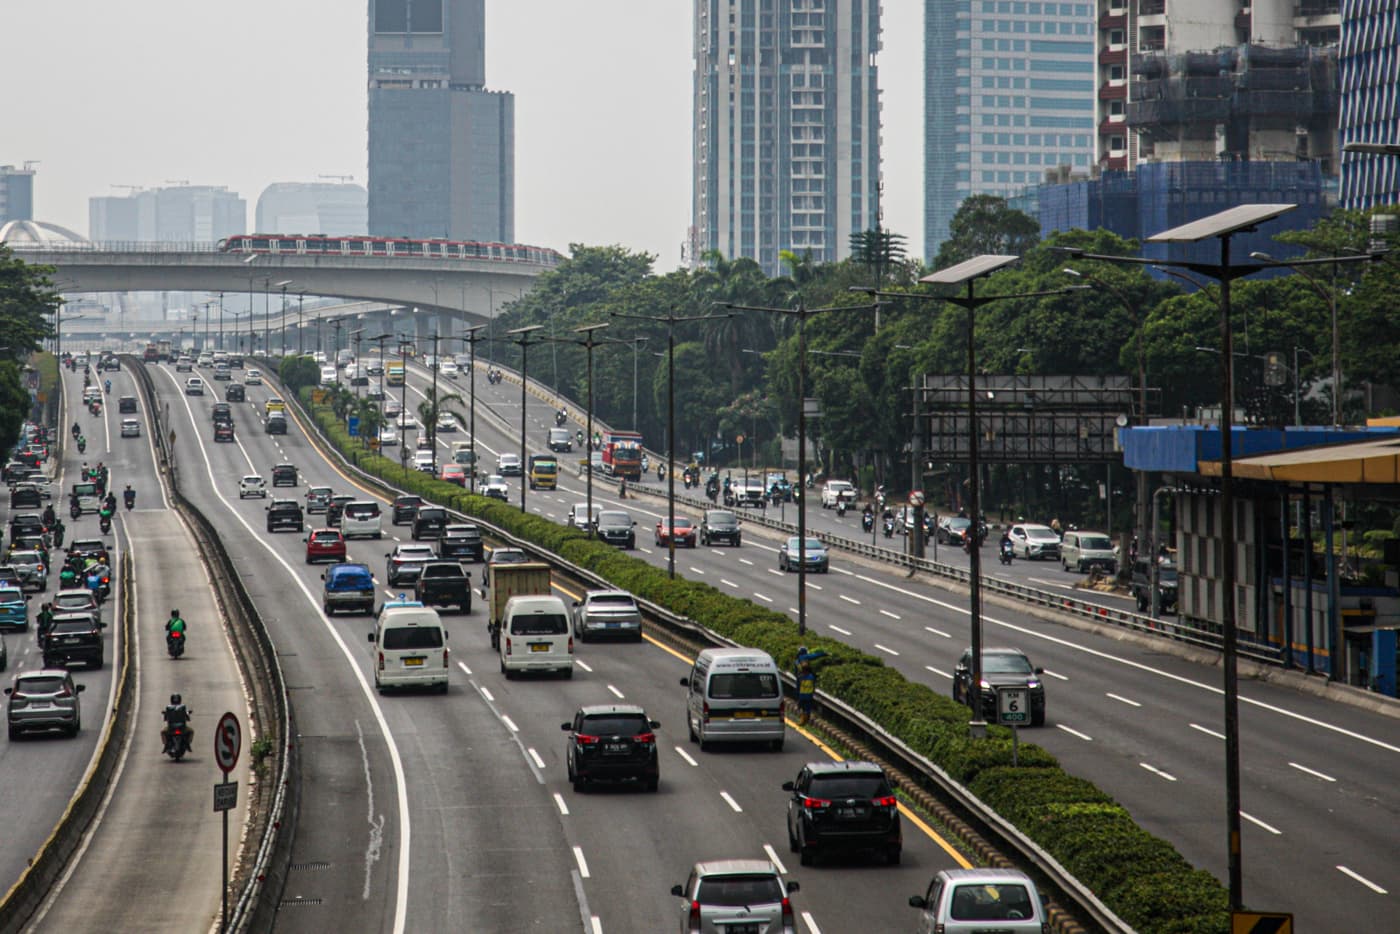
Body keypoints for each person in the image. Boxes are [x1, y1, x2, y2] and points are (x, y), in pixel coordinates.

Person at [793, 646, 828, 726]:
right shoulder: (811, 676)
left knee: (801, 705)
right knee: (807, 707)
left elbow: (796, 675)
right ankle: (805, 718)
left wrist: (797, 693)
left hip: (801, 691)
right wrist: (823, 653)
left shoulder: (796, 661)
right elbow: (814, 656)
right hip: (808, 693)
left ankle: (803, 719)